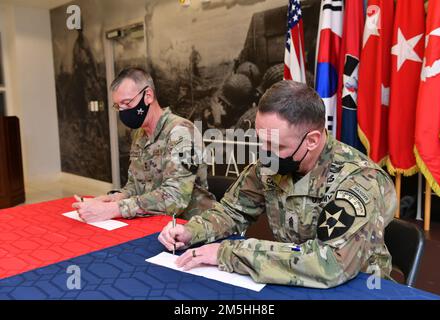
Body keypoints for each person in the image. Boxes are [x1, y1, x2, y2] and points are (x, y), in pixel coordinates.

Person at [158, 80, 397, 289]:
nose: (266, 154)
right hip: (291, 279)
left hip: (357, 289)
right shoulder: (271, 162)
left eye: (277, 146)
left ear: (312, 140)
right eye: (262, 142)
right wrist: (193, 231)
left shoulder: (359, 180)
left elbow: (331, 263)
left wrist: (228, 253)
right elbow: (233, 210)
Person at [73, 67, 214, 222]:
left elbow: (175, 198)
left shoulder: (181, 132)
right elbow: (136, 185)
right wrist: (115, 198)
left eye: (127, 103)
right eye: (118, 106)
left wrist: (115, 209)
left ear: (148, 95)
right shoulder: (140, 134)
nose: (123, 111)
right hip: (152, 222)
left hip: (189, 228)